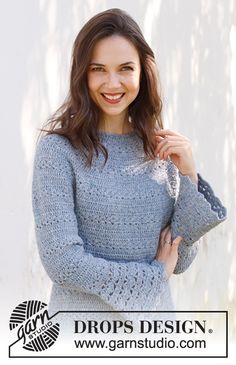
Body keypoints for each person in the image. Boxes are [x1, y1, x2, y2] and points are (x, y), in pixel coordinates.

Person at [32, 8, 227, 321]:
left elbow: (180, 260)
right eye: (98, 69)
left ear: (142, 73)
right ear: (83, 73)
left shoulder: (158, 150)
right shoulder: (58, 150)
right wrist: (151, 276)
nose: (112, 83)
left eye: (125, 68)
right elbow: (62, 260)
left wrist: (189, 174)